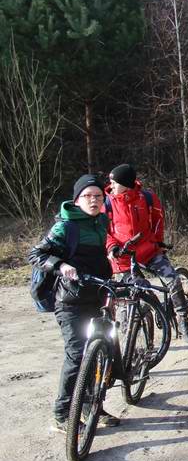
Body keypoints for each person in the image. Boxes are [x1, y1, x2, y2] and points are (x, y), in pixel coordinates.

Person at [28, 175, 121, 433]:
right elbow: (36, 254)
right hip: (70, 301)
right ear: (77, 199)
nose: (94, 200)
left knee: (102, 351)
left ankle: (92, 406)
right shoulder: (65, 226)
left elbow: (101, 253)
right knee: (78, 354)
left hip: (98, 296)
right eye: (88, 196)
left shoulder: (101, 220)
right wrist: (61, 265)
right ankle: (62, 415)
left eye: (98, 196)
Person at [104, 164, 188, 341]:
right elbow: (104, 231)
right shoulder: (106, 203)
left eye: (115, 182)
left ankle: (183, 319)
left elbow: (158, 220)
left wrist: (157, 241)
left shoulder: (147, 198)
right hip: (123, 258)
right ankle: (129, 339)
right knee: (132, 294)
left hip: (149, 251)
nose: (111, 185)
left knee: (173, 280)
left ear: (126, 183)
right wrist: (111, 246)